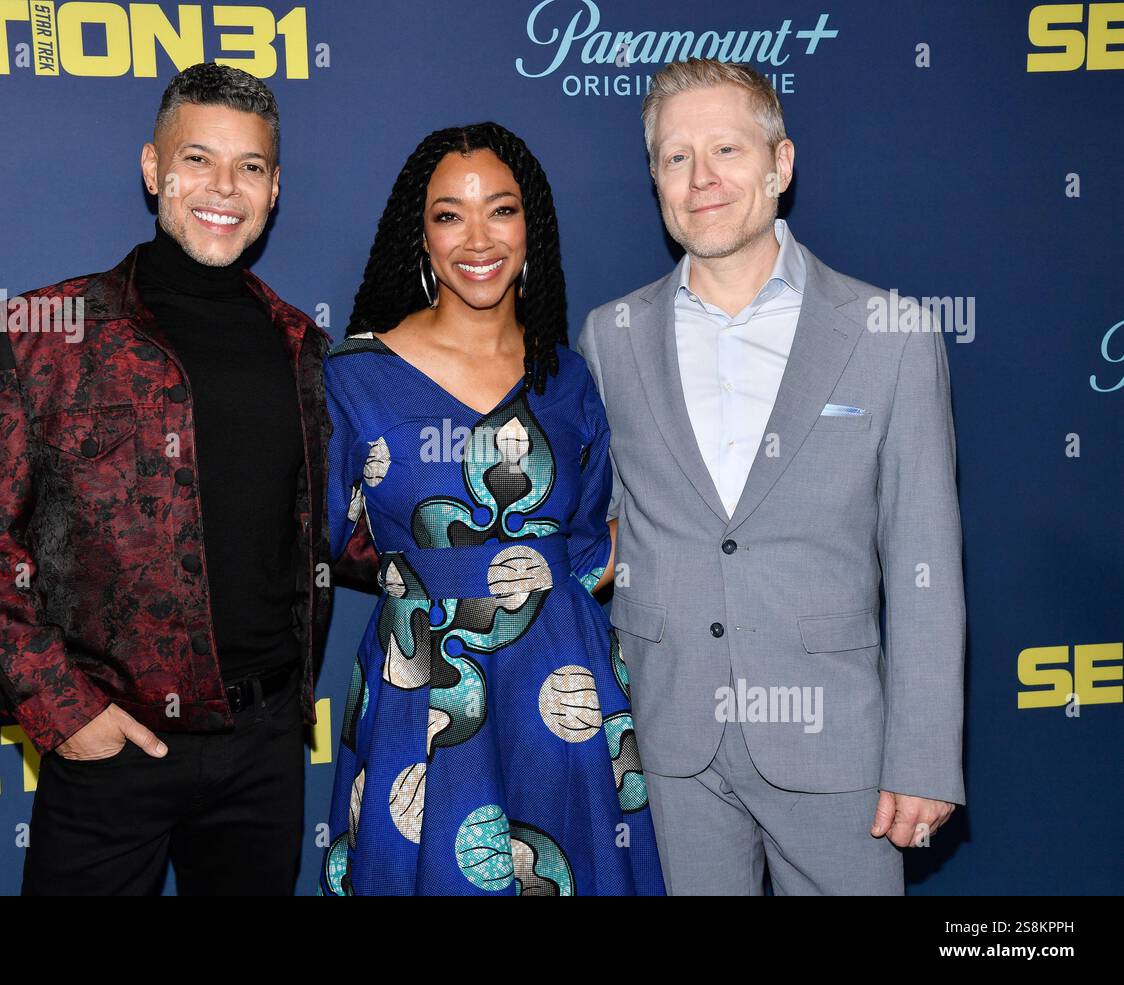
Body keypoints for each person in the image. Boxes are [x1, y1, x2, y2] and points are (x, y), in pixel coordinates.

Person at [577, 58, 966, 895]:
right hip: (668, 740)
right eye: (676, 158)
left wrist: (926, 754)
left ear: (780, 165)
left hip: (838, 745)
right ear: (655, 179)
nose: (702, 179)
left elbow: (924, 562)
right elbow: (598, 530)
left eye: (726, 149)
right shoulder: (610, 336)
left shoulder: (890, 332)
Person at [0, 63, 332, 895]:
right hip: (111, 745)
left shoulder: (303, 347)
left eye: (251, 167)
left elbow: (330, 524)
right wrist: (66, 712)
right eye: (198, 159)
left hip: (263, 745)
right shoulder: (40, 333)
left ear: (274, 190)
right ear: (154, 169)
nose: (223, 187)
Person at [317, 123, 665, 895]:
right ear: (421, 236)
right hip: (425, 688)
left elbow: (588, 541)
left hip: (563, 692)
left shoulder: (569, 379)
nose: (478, 237)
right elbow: (320, 541)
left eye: (500, 210)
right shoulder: (354, 377)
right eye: (449, 214)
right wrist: (424, 578)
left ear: (530, 228)